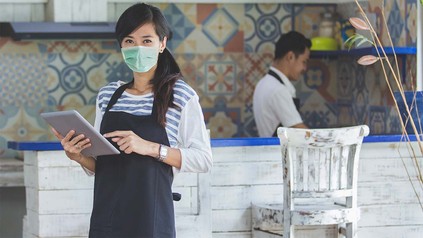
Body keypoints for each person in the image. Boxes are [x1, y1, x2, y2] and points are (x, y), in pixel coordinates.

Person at [51, 3, 212, 238]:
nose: (137, 48)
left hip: (152, 223)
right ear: (121, 46)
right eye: (129, 41)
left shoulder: (180, 96)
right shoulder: (108, 96)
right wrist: (79, 157)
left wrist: (150, 148)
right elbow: (104, 166)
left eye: (146, 40)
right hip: (107, 220)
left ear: (162, 43)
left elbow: (203, 159)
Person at [253, 30, 311, 137]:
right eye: (304, 61)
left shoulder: (263, 83)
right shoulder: (278, 90)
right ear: (290, 57)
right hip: (277, 152)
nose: (304, 68)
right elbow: (301, 133)